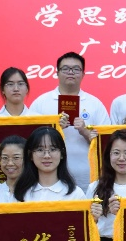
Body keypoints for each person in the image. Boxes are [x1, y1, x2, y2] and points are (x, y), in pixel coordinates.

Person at [29, 51, 111, 189]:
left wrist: (85, 132)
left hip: (87, 175)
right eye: (66, 68)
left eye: (76, 69)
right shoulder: (41, 102)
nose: (71, 72)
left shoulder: (95, 104)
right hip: (48, 175)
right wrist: (54, 129)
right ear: (57, 73)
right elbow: (30, 140)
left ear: (83, 74)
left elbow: (107, 143)